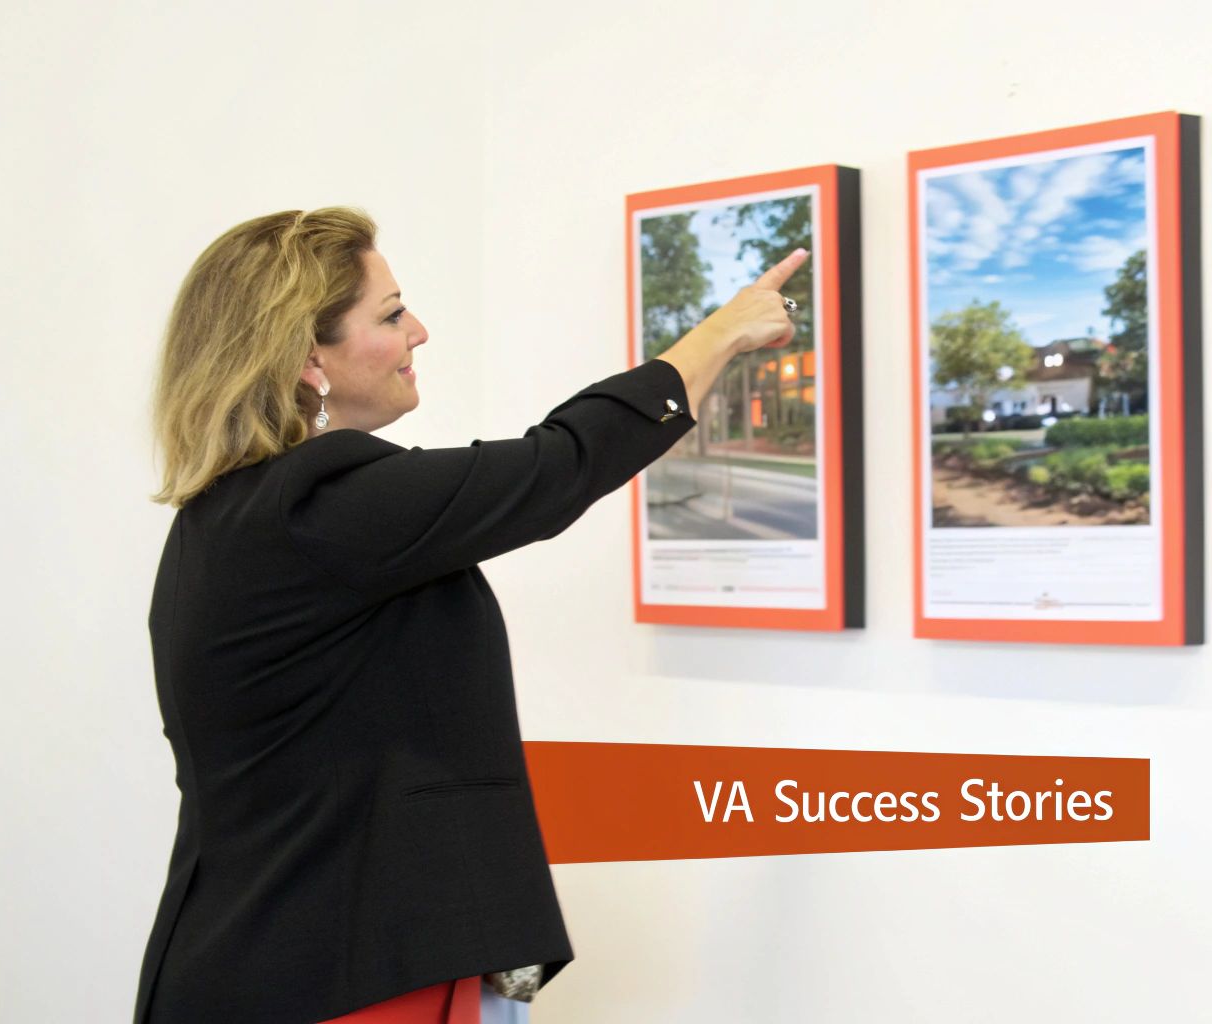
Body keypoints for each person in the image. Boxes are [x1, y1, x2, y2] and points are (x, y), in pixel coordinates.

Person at [136, 207, 805, 1023]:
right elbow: (558, 466)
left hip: (280, 960)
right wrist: (720, 335)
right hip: (345, 976)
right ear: (309, 357)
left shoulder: (229, 515)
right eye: (389, 315)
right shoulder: (319, 505)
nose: (418, 331)